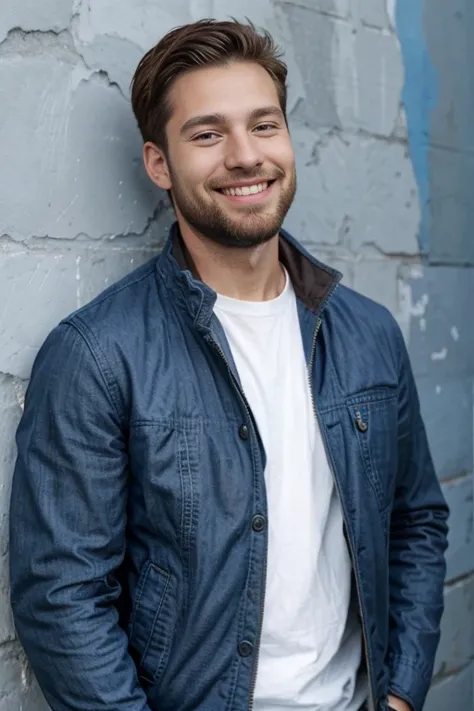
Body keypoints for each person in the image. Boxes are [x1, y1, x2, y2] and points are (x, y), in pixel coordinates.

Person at [10, 19, 449, 711]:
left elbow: (416, 522)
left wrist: (399, 694)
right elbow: (62, 597)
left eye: (264, 125)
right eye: (208, 134)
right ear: (159, 163)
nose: (246, 156)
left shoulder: (369, 335)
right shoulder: (98, 354)